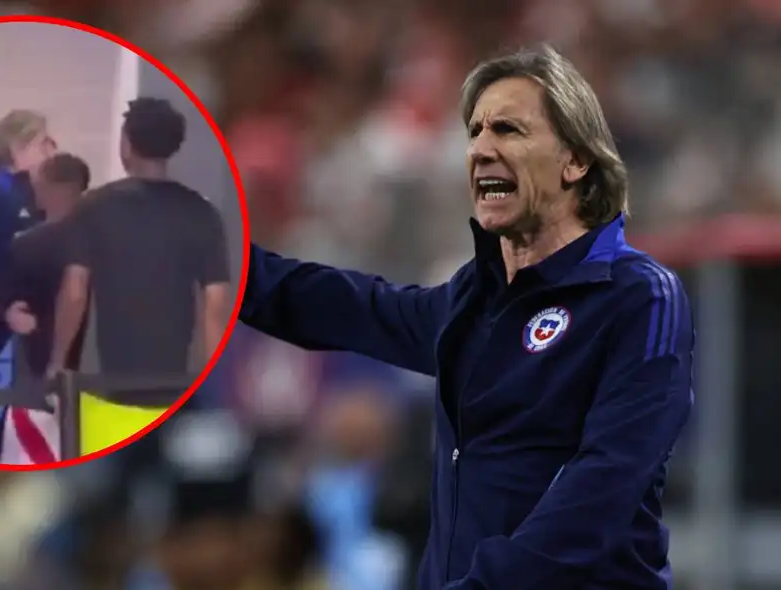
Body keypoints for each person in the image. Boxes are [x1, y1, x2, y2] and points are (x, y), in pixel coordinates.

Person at [239, 45, 694, 590]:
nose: (480, 149)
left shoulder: (638, 296)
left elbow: (604, 488)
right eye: (474, 132)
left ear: (575, 160)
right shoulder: (471, 303)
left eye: (508, 129)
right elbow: (341, 305)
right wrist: (210, 263)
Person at [48, 97, 232, 448]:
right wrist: (211, 381)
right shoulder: (200, 213)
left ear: (127, 144)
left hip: (114, 387)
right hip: (176, 390)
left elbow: (75, 291)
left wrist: (58, 362)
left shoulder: (94, 207)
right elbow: (216, 304)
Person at [0, 109, 56, 459]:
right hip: (1, 338)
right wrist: (5, 309)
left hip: (32, 341)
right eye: (42, 143)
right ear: (17, 149)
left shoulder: (37, 201)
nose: (51, 152)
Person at [0, 153, 91, 465]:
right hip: (99, 382)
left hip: (38, 378)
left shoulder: (26, 244)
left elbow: (12, 308)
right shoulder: (109, 244)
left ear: (52, 190)